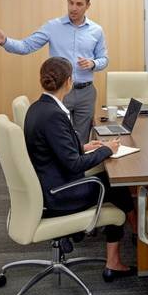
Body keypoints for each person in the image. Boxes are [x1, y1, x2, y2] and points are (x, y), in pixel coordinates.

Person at [24, 57, 135, 281]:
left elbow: (52, 148)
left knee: (111, 181)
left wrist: (84, 147)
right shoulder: (54, 115)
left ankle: (135, 235)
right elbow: (73, 164)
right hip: (60, 193)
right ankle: (122, 253)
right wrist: (108, 150)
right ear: (69, 81)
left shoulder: (38, 108)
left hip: (47, 182)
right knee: (117, 187)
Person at [0, 0, 107, 143]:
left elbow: (104, 59)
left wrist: (93, 63)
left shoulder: (96, 30)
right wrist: (4, 41)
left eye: (79, 4)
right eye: (70, 2)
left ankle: (79, 159)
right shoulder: (53, 27)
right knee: (59, 138)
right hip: (60, 91)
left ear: (88, 6)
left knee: (82, 139)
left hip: (86, 93)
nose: (73, 8)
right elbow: (26, 46)